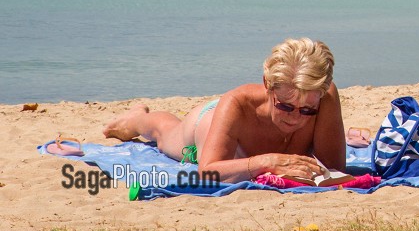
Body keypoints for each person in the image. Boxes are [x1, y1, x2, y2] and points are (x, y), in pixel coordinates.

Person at [102, 38, 346, 182]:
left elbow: (334, 169)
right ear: (267, 85)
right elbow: (207, 172)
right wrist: (268, 162)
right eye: (285, 106)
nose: (295, 118)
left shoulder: (324, 95)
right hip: (207, 122)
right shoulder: (237, 103)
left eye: (307, 110)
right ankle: (135, 119)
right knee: (163, 132)